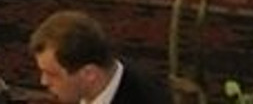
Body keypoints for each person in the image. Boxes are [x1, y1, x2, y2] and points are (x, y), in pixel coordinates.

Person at [28, 10, 171, 104]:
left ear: (89, 74)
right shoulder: (105, 77)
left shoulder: (145, 98)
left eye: (52, 74)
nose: (43, 81)